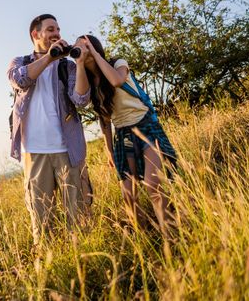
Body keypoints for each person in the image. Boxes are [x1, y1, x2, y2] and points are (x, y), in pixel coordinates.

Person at [73, 34, 177, 234]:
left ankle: (170, 234)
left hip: (145, 125)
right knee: (129, 194)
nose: (80, 49)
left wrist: (93, 53)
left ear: (93, 47)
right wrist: (109, 150)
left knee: (153, 184)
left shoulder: (117, 63)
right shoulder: (90, 83)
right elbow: (104, 119)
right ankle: (143, 237)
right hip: (123, 134)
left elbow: (117, 81)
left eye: (83, 45)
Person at [7, 14, 93, 244]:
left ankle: (82, 265)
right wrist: (49, 57)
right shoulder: (20, 63)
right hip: (34, 152)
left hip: (67, 150)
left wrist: (80, 63)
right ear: (36, 34)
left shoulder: (66, 67)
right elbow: (19, 80)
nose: (57, 33)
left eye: (58, 29)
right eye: (50, 29)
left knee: (79, 218)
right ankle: (47, 269)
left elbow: (81, 99)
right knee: (41, 222)